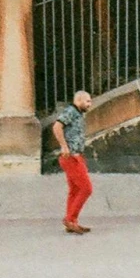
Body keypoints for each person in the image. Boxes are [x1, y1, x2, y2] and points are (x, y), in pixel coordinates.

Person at [49, 90, 96, 235]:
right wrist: (64, 146)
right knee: (86, 189)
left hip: (75, 155)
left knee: (75, 190)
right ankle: (70, 219)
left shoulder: (78, 113)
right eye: (87, 101)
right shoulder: (70, 111)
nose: (90, 104)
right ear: (79, 100)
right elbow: (57, 126)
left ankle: (72, 221)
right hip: (71, 157)